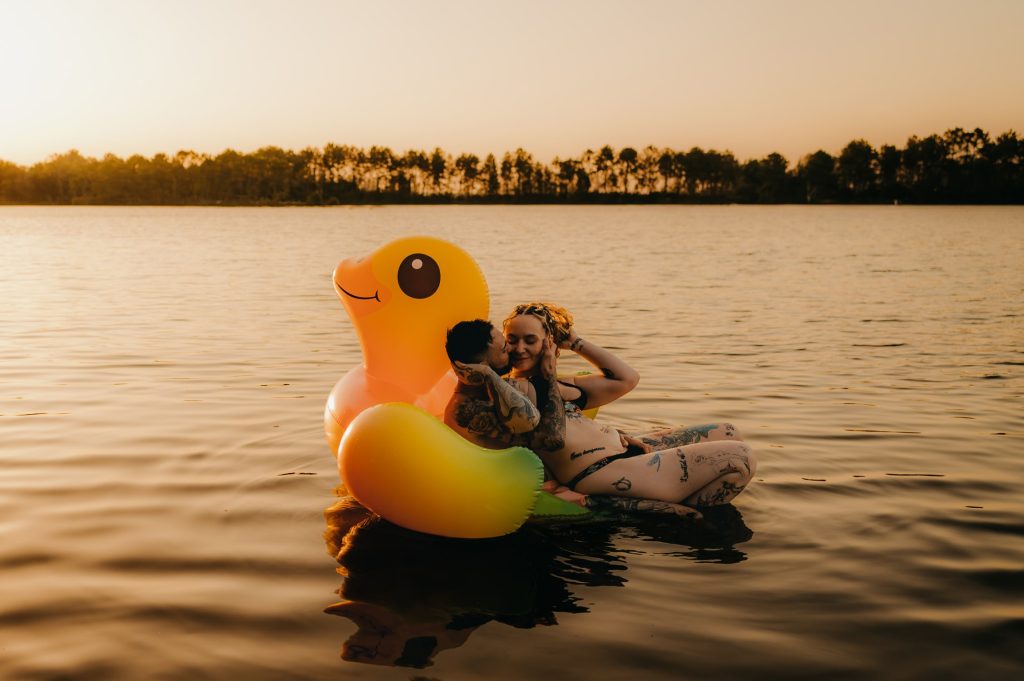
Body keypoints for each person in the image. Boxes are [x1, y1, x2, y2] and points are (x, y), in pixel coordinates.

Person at [504, 302, 756, 518]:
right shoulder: (512, 389)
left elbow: (626, 379)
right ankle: (673, 511)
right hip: (602, 470)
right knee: (740, 458)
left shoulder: (563, 384)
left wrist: (574, 342)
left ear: (549, 342)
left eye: (530, 340)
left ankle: (674, 497)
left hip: (626, 451)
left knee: (728, 431)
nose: (519, 348)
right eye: (511, 340)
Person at [443, 319, 587, 505]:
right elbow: (552, 439)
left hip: (555, 482)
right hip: (530, 499)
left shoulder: (495, 393)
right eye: (504, 349)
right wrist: (550, 374)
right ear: (483, 366)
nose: (511, 349)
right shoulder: (467, 409)